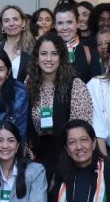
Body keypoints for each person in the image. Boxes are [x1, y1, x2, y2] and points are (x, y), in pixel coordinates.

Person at [26, 33, 95, 176]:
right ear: (37, 57)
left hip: (68, 159)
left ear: (62, 57)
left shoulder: (75, 85)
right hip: (38, 159)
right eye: (44, 54)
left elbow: (80, 128)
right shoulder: (29, 84)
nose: (49, 59)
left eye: (54, 54)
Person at [53, 1, 101, 81]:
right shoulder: (47, 52)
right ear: (55, 25)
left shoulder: (90, 53)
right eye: (60, 23)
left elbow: (95, 88)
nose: (65, 27)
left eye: (69, 22)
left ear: (77, 23)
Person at [0, 4, 33, 82]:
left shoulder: (33, 50)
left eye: (15, 19)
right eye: (6, 20)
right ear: (2, 25)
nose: (11, 23)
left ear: (23, 23)